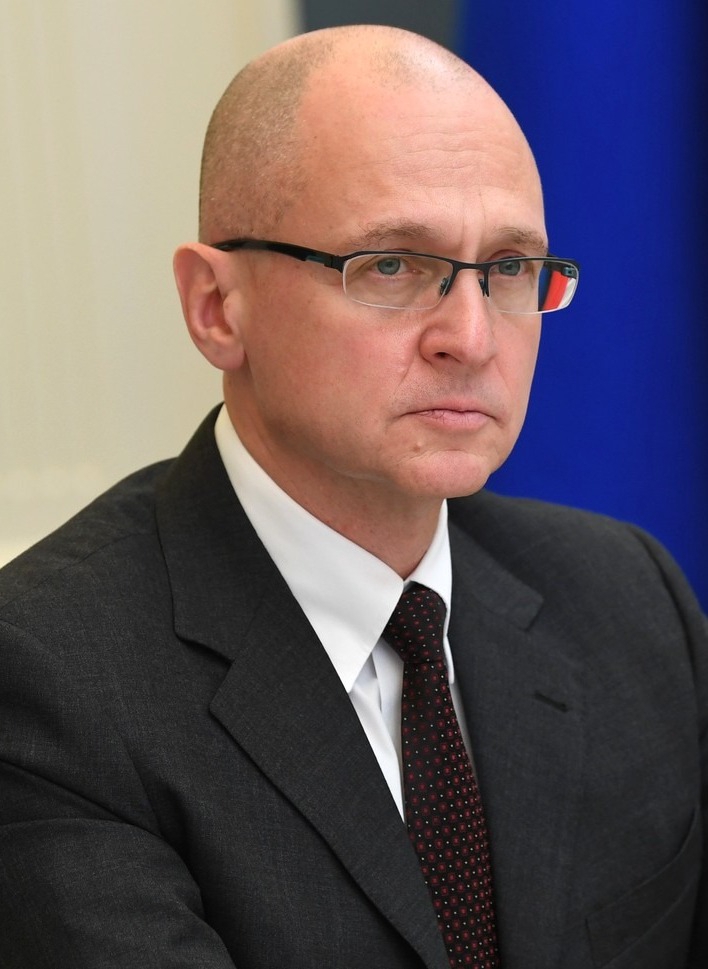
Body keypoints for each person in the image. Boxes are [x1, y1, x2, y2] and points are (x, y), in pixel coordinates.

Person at [0, 23, 705, 969]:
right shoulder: (49, 679)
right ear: (217, 307)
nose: (472, 338)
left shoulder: (631, 598)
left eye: (508, 269)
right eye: (392, 266)